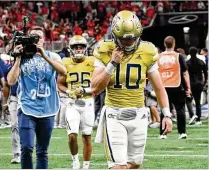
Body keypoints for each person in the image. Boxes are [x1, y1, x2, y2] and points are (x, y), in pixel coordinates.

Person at [92, 10, 173, 169]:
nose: (129, 42)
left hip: (139, 115)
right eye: (124, 39)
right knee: (118, 166)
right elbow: (94, 88)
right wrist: (112, 64)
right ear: (115, 35)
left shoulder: (147, 51)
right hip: (114, 115)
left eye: (132, 38)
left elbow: (159, 87)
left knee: (134, 165)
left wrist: (167, 114)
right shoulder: (105, 50)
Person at [7, 26, 67, 169]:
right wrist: (18, 58)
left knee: (42, 151)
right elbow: (10, 81)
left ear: (44, 40)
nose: (36, 40)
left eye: (39, 37)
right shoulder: (23, 57)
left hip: (48, 108)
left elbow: (64, 71)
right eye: (33, 37)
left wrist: (43, 55)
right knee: (26, 148)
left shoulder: (53, 56)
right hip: (27, 108)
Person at [57, 35, 105, 169]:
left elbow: (100, 82)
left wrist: (86, 90)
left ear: (86, 49)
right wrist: (69, 92)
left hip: (88, 102)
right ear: (70, 49)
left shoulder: (93, 61)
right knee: (72, 136)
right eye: (76, 47)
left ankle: (86, 166)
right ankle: (75, 160)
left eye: (81, 47)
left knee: (87, 136)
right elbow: (60, 84)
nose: (78, 49)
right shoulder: (65, 62)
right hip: (72, 103)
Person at [157, 36, 191, 139]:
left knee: (164, 110)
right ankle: (182, 132)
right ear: (174, 44)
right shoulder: (178, 56)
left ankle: (163, 133)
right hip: (176, 85)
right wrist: (188, 88)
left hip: (163, 86)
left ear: (164, 44)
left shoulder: (158, 56)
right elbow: (185, 73)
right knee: (180, 110)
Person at [187, 47, 208, 125]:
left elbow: (185, 75)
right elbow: (205, 74)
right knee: (198, 102)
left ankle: (192, 115)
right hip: (199, 83)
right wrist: (204, 82)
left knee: (188, 100)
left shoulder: (187, 63)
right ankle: (198, 119)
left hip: (190, 83)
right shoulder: (201, 62)